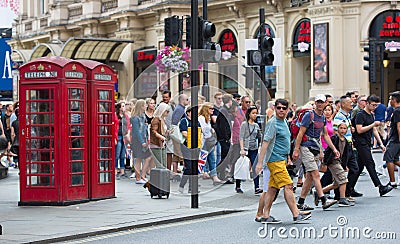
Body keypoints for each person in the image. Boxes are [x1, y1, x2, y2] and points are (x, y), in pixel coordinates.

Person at [255, 98, 311, 223]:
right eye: (278, 107)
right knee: (288, 185)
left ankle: (265, 215)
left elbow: (284, 142)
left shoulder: (284, 121)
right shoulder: (273, 123)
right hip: (274, 160)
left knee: (272, 188)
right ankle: (296, 214)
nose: (281, 110)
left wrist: (288, 158)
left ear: (287, 110)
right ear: (274, 108)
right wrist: (260, 163)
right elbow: (265, 142)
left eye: (284, 108)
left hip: (282, 159)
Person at [292, 94, 338, 211]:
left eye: (321, 102)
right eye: (317, 102)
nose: (319, 104)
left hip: (316, 148)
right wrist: (296, 149)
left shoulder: (322, 117)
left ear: (325, 103)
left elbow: (325, 135)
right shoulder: (309, 115)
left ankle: (301, 202)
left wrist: (333, 149)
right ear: (315, 102)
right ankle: (323, 199)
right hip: (305, 147)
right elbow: (300, 133)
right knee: (316, 174)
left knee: (310, 177)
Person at [349, 95, 393, 196]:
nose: (375, 107)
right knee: (370, 164)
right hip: (360, 143)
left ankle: (349, 188)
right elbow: (359, 130)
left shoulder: (370, 115)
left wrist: (381, 143)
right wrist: (373, 125)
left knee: (359, 167)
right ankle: (380, 187)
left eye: (376, 105)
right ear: (367, 103)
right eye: (373, 105)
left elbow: (374, 130)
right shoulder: (361, 114)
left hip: (367, 142)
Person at [322, 123, 355, 207]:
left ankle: (319, 192)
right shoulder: (334, 138)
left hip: (339, 162)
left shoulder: (346, 141)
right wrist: (325, 162)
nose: (343, 130)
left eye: (344, 128)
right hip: (333, 161)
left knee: (336, 183)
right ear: (337, 129)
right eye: (341, 128)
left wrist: (344, 166)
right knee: (343, 179)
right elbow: (328, 151)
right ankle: (342, 199)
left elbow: (345, 155)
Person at [332, 95, 359, 198]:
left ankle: (345, 192)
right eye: (349, 102)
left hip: (348, 144)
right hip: (343, 145)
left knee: (353, 169)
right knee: (344, 169)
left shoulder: (347, 115)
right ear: (343, 104)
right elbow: (336, 131)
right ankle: (341, 194)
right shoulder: (340, 116)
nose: (352, 103)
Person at [239, 105, 262, 194]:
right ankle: (238, 185)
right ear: (249, 114)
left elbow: (259, 136)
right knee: (242, 166)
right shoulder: (244, 124)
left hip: (254, 148)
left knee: (255, 167)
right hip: (245, 148)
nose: (255, 115)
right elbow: (241, 137)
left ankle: (257, 187)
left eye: (256, 113)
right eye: (253, 113)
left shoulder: (256, 125)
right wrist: (242, 149)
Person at [198, 103, 222, 184]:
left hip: (209, 140)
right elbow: (201, 130)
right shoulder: (201, 118)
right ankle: (203, 173)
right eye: (211, 108)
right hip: (204, 141)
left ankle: (214, 176)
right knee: (203, 158)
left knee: (212, 159)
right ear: (206, 109)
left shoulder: (208, 118)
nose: (213, 110)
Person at [131, 100, 152, 184]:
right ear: (140, 107)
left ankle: (142, 176)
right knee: (138, 159)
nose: (146, 107)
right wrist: (142, 142)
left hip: (144, 139)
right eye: (144, 105)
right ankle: (138, 178)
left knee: (148, 157)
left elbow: (144, 129)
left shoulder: (143, 116)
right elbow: (137, 131)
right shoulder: (135, 118)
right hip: (138, 141)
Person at [215, 94, 234, 182]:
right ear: (229, 100)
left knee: (225, 156)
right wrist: (227, 137)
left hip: (224, 137)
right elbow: (223, 126)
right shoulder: (223, 110)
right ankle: (218, 171)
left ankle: (222, 175)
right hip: (224, 138)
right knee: (226, 157)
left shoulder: (225, 110)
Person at [383, 91, 400, 188]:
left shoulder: (397, 111)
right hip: (395, 139)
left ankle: (392, 181)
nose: (390, 101)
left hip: (395, 139)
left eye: (390, 99)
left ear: (394, 100)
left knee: (388, 158)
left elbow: (399, 126)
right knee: (394, 159)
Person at [150, 102, 170, 168]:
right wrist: (162, 137)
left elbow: (162, 132)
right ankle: (159, 178)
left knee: (164, 163)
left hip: (162, 144)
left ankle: (162, 177)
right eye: (167, 111)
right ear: (162, 110)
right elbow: (153, 131)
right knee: (160, 164)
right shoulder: (156, 119)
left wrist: (168, 132)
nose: (168, 112)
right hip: (156, 144)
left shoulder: (162, 119)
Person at [113, 102, 131, 179]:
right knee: (117, 154)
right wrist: (114, 138)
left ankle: (122, 171)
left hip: (124, 137)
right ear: (119, 108)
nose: (124, 108)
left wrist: (128, 134)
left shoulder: (126, 116)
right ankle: (116, 170)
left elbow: (129, 126)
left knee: (123, 155)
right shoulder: (114, 115)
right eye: (123, 106)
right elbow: (112, 127)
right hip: (118, 137)